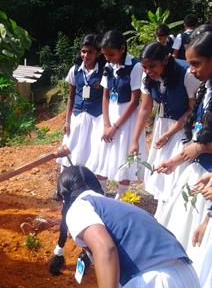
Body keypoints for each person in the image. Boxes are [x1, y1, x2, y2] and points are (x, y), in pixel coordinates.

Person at [59, 165, 212, 288]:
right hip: (184, 280)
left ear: (64, 195)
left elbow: (105, 249)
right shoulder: (117, 206)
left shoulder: (79, 206)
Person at [155, 26, 212, 249]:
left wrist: (200, 148)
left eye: (196, 63)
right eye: (189, 63)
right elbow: (198, 138)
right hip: (197, 175)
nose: (190, 70)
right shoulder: (205, 90)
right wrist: (175, 161)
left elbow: (200, 145)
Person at [129, 42, 200, 213]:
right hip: (163, 125)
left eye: (152, 66)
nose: (148, 71)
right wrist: (134, 140)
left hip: (184, 127)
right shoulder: (147, 76)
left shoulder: (186, 75)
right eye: (144, 67)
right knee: (162, 172)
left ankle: (174, 214)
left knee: (177, 172)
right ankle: (163, 213)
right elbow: (145, 108)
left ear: (166, 60)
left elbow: (192, 109)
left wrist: (170, 133)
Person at [88, 30, 145, 199]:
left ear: (122, 49)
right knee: (103, 153)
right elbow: (105, 95)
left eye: (111, 54)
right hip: (110, 114)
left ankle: (122, 196)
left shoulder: (134, 67)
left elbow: (135, 100)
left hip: (126, 118)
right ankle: (101, 191)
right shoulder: (108, 66)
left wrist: (115, 126)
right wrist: (106, 124)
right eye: (105, 55)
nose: (108, 58)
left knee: (123, 155)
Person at [60, 34, 105, 169]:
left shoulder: (104, 71)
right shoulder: (75, 70)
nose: (86, 55)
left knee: (91, 152)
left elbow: (106, 97)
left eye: (90, 52)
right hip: (77, 117)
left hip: (96, 119)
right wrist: (67, 120)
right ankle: (68, 183)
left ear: (97, 53)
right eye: (83, 51)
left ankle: (88, 182)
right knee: (71, 150)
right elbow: (71, 96)